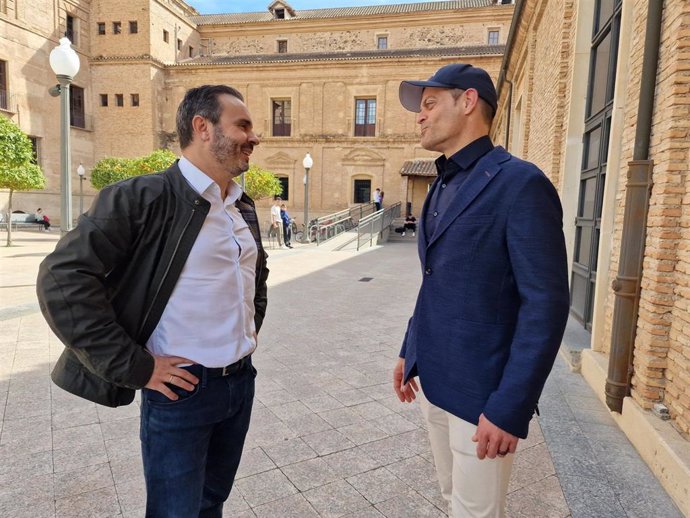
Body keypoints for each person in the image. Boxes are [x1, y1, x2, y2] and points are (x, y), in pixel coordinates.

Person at [36, 84, 267, 518]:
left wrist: (247, 334)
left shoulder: (240, 205)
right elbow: (62, 278)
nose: (254, 138)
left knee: (211, 501)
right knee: (175, 511)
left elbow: (255, 276)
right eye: (243, 126)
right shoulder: (141, 197)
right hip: (182, 388)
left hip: (240, 381)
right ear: (203, 128)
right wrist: (134, 366)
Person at [392, 63, 569, 517]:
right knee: (452, 500)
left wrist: (510, 407)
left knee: (477, 513)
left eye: (430, 104)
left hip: (482, 397)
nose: (420, 116)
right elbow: (435, 279)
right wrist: (408, 349)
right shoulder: (440, 185)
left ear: (467, 101)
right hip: (432, 381)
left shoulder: (521, 184)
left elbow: (545, 305)